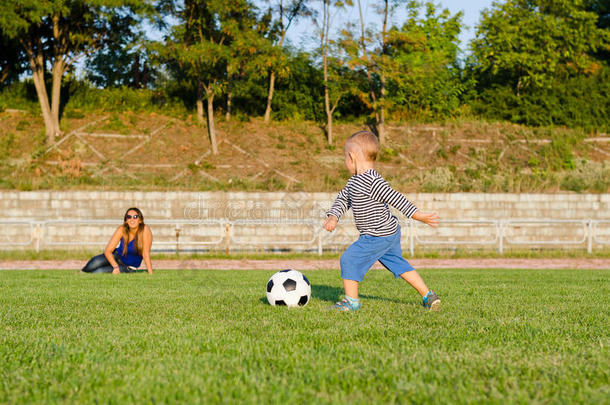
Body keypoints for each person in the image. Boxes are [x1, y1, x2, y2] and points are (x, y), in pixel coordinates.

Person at [322, 131, 440, 311]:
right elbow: (343, 199)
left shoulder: (373, 181)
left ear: (352, 157)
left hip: (377, 235)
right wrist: (333, 215)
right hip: (387, 233)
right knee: (397, 263)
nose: (345, 161)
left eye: (345, 157)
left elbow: (396, 198)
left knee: (349, 259)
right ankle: (428, 295)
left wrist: (418, 215)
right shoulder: (353, 182)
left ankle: (351, 303)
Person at [81, 207, 153, 274]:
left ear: (140, 220)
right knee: (96, 262)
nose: (132, 219)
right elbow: (108, 251)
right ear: (126, 220)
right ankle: (81, 273)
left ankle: (87, 276)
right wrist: (115, 266)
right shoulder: (121, 229)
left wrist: (150, 273)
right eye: (129, 217)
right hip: (116, 256)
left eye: (135, 217)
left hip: (128, 267)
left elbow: (145, 253)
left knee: (99, 271)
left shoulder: (145, 230)